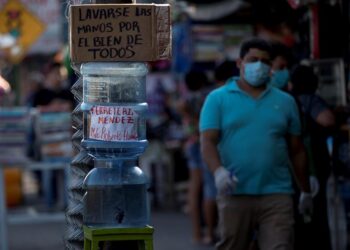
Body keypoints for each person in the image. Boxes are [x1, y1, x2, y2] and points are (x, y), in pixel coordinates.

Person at [199, 38, 312, 250]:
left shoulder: (286, 101)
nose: (259, 65)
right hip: (235, 192)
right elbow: (207, 141)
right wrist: (218, 172)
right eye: (253, 60)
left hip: (277, 194)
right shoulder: (218, 99)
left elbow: (297, 150)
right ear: (240, 63)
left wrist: (305, 190)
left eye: (265, 61)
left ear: (270, 67)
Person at [290, 64, 335, 250]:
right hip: (313, 167)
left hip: (297, 170)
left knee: (302, 219)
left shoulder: (288, 101)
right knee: (317, 217)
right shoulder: (310, 101)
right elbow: (327, 119)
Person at [177, 69, 217, 245]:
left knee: (195, 189)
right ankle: (210, 232)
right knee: (209, 188)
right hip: (206, 144)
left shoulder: (186, 100)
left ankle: (196, 233)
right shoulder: (207, 97)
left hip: (192, 144)